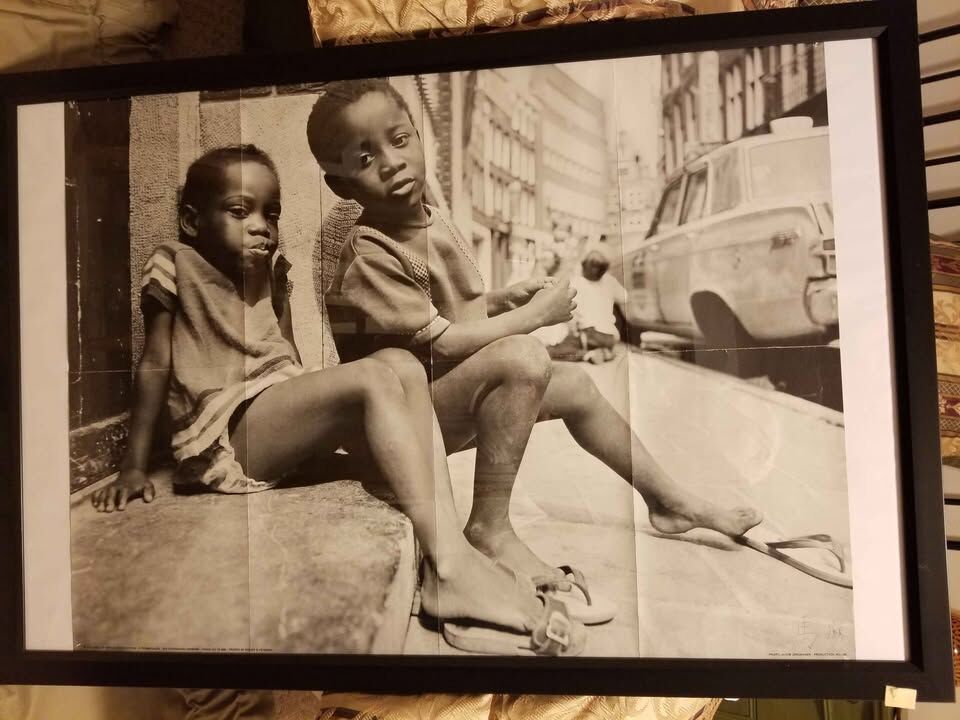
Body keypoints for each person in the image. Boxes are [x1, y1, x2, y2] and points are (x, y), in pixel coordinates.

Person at [90, 145, 578, 655]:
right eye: (240, 212)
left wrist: (318, 422)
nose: (260, 225)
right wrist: (134, 465)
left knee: (401, 364)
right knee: (372, 377)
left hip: (271, 419)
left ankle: (447, 555)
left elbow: (287, 364)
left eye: (270, 214)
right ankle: (453, 566)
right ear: (192, 220)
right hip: (224, 436)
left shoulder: (273, 270)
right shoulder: (174, 262)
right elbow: (154, 365)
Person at [307, 80, 763, 625]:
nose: (392, 163)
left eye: (400, 140)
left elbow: (451, 314)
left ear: (420, 136)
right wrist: (532, 318)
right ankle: (491, 529)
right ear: (341, 183)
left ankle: (671, 502)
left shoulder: (428, 216)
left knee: (578, 387)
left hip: (429, 403)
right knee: (524, 356)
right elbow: (446, 341)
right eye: (365, 158)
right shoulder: (370, 250)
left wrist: (502, 298)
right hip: (391, 431)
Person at [545, 242, 626, 364]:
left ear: (584, 265)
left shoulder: (576, 282)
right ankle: (604, 351)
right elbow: (625, 297)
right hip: (611, 337)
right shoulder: (610, 281)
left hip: (589, 335)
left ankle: (587, 354)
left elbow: (569, 313)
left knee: (551, 351)